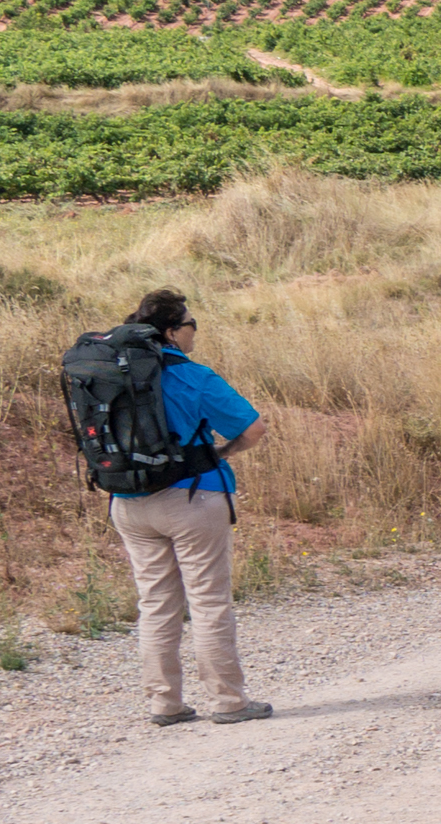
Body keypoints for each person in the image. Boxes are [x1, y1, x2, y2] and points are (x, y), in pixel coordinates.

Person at [110, 289, 273, 727]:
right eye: (190, 324)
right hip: (191, 498)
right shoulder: (192, 376)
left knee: (156, 603)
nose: (194, 331)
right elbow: (254, 428)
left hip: (127, 501)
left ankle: (164, 703)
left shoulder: (112, 373)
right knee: (207, 601)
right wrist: (220, 454)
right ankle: (228, 701)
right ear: (171, 331)